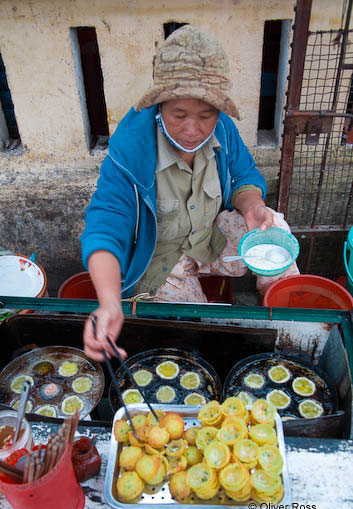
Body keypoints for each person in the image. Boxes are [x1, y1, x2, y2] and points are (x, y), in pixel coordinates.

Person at [81, 25, 299, 361]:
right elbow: (105, 227)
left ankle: (287, 328)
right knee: (197, 335)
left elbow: (244, 174)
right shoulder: (131, 153)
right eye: (178, 115)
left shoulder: (223, 129)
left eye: (206, 115)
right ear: (159, 106)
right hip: (162, 263)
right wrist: (109, 302)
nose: (192, 129)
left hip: (208, 237)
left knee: (277, 230)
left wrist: (252, 205)